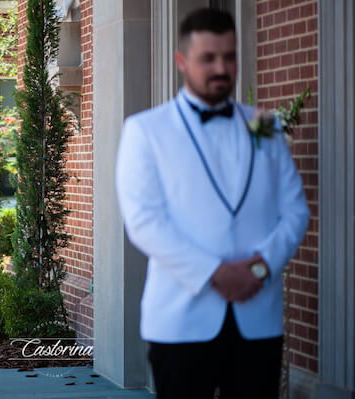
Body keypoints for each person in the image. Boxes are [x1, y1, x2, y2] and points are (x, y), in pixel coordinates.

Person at [115, 8, 310, 399]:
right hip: (180, 321)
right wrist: (215, 272)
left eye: (229, 57)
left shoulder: (264, 126)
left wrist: (259, 267)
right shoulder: (146, 130)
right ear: (182, 61)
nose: (221, 67)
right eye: (209, 58)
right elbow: (143, 221)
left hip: (258, 320)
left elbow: (295, 211)